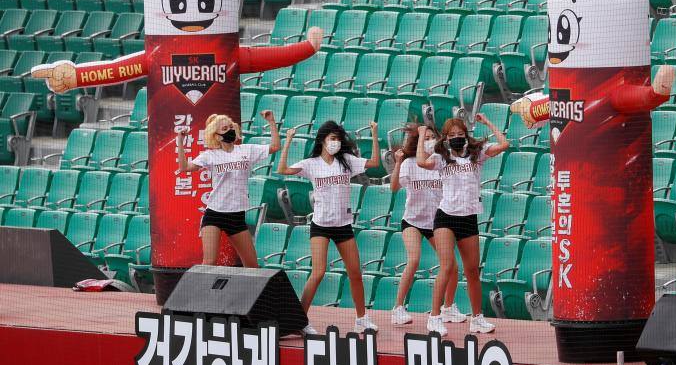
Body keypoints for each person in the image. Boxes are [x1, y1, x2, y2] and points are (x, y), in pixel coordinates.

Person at [277, 120, 381, 334]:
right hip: (321, 225)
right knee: (318, 272)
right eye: (332, 138)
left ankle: (361, 319)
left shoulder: (347, 162)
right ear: (322, 140)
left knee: (355, 273)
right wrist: (287, 141)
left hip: (343, 225)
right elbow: (282, 169)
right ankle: (299, 321)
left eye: (338, 139)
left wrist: (374, 132)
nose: (336, 142)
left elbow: (375, 162)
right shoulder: (311, 164)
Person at [416, 114, 509, 335]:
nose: (457, 138)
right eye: (452, 135)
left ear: (466, 136)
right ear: (446, 139)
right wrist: (421, 136)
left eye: (460, 134)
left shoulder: (477, 155)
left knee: (472, 271)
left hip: (469, 218)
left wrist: (488, 123)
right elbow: (421, 161)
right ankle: (435, 317)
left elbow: (504, 144)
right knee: (447, 266)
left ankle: (477, 318)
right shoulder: (441, 158)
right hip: (446, 217)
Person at [177, 110, 280, 267]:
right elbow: (184, 168)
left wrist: (271, 122)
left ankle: (250, 292)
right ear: (217, 136)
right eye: (225, 129)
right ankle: (200, 291)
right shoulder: (210, 155)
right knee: (209, 262)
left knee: (252, 266)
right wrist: (180, 141)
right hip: (215, 213)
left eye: (230, 127)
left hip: (236, 215)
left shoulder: (246, 150)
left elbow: (275, 146)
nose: (230, 131)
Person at [389, 123, 465, 326]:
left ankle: (448, 308)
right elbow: (394, 188)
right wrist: (397, 162)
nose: (429, 140)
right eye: (426, 137)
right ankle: (397, 308)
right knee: (414, 259)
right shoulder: (410, 163)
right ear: (418, 141)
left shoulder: (440, 162)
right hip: (412, 221)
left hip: (435, 223)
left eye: (433, 137)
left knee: (452, 266)